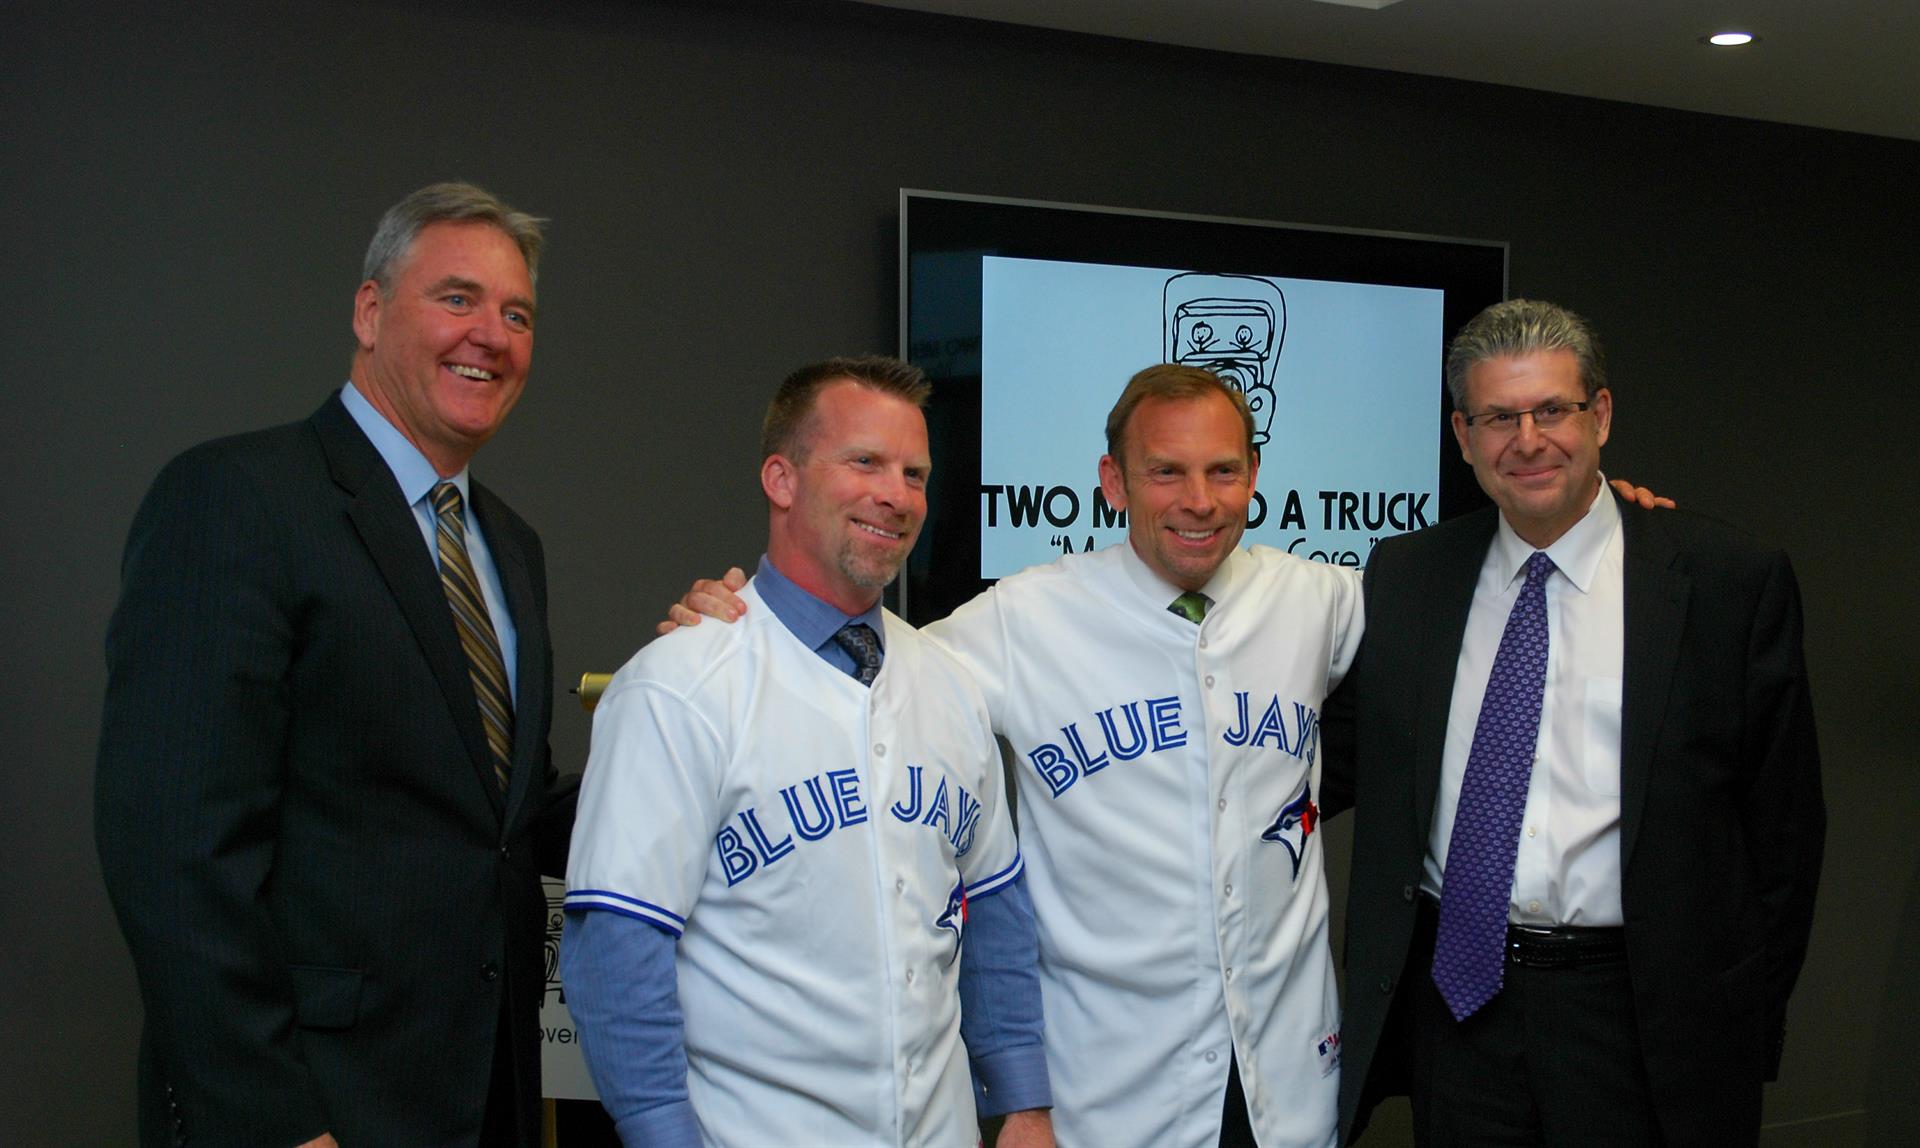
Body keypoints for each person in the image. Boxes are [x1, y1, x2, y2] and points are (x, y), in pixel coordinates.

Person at [669, 365, 1364, 1147]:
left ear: (1254, 476)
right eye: (1165, 471)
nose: (1198, 500)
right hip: (1109, 1091)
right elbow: (855, 670)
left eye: (1222, 471)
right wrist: (739, 626)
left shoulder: (1318, 599)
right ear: (1114, 482)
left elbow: (1459, 618)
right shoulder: (1026, 617)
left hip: (1289, 1083)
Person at [96, 182, 577, 1148]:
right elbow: (174, 852)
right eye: (457, 299)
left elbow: (499, 830)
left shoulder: (510, 547)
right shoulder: (236, 498)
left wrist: (691, 694)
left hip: (486, 1101)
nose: (492, 333)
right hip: (314, 1111)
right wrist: (276, 1123)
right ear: (368, 312)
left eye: (516, 313)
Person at [1326, 299, 1824, 1145]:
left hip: (1639, 1017)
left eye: (1552, 409)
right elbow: (1338, 755)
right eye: (1498, 417)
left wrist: (1735, 1019)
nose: (1528, 440)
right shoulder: (1409, 574)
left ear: (1600, 414)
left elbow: (1784, 836)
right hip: (1459, 1005)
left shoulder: (1722, 582)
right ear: (1462, 434)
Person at [561, 357, 1054, 1147]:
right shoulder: (679, 687)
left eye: (915, 472)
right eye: (865, 462)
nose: (897, 495)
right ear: (781, 480)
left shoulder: (952, 685)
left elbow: (994, 907)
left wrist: (1024, 1104)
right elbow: (617, 951)